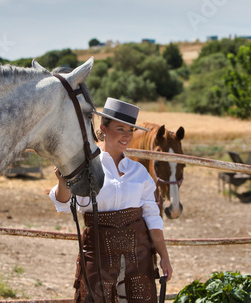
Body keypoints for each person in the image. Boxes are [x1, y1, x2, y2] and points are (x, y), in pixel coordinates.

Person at [49, 98, 172, 302]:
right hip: (97, 254)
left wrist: (164, 257)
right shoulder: (86, 169)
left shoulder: (138, 172)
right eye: (120, 129)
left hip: (138, 256)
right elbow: (63, 204)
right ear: (104, 129)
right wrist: (63, 181)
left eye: (130, 130)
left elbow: (152, 218)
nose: (126, 135)